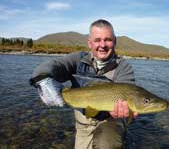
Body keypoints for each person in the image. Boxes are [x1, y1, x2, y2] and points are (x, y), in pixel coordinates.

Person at [30, 19, 138, 149]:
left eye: (108, 39)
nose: (102, 45)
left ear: (115, 41)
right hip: (83, 125)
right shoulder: (78, 59)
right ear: (89, 43)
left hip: (110, 122)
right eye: (97, 40)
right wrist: (43, 78)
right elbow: (54, 65)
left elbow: (127, 89)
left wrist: (122, 110)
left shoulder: (123, 67)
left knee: (107, 143)